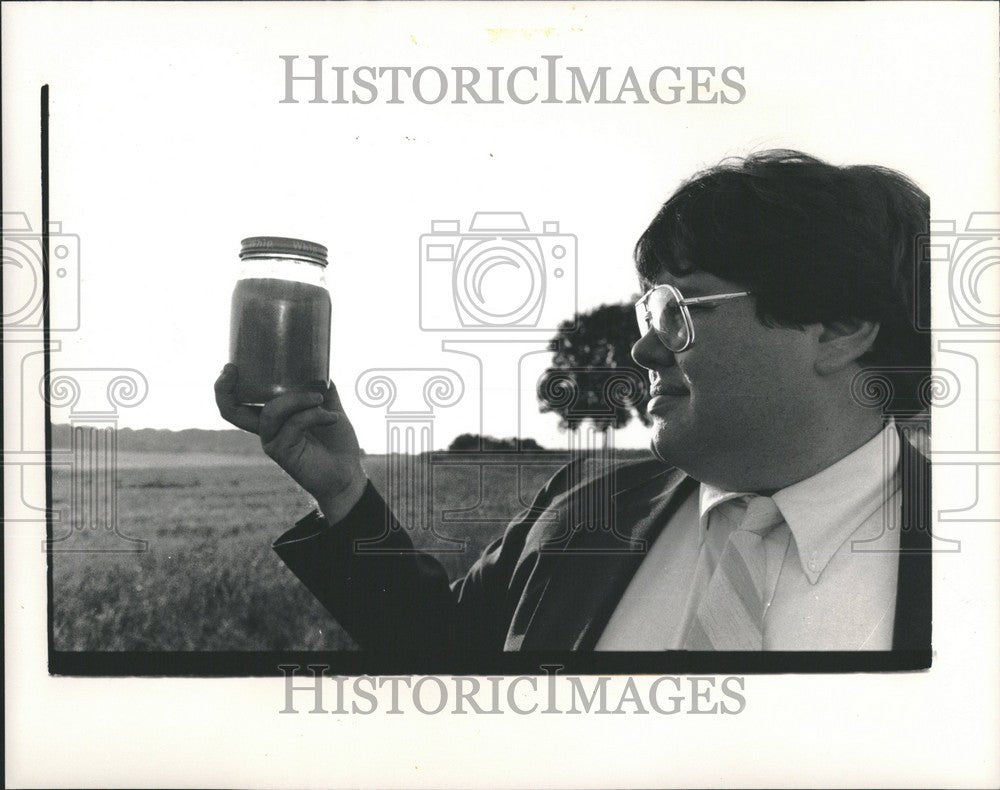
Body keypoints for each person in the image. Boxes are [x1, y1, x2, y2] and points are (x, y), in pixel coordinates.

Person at [215, 150, 931, 653]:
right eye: (648, 313)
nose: (645, 349)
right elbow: (449, 660)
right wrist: (344, 494)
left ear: (838, 329)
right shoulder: (583, 507)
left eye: (678, 311)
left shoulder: (963, 571)